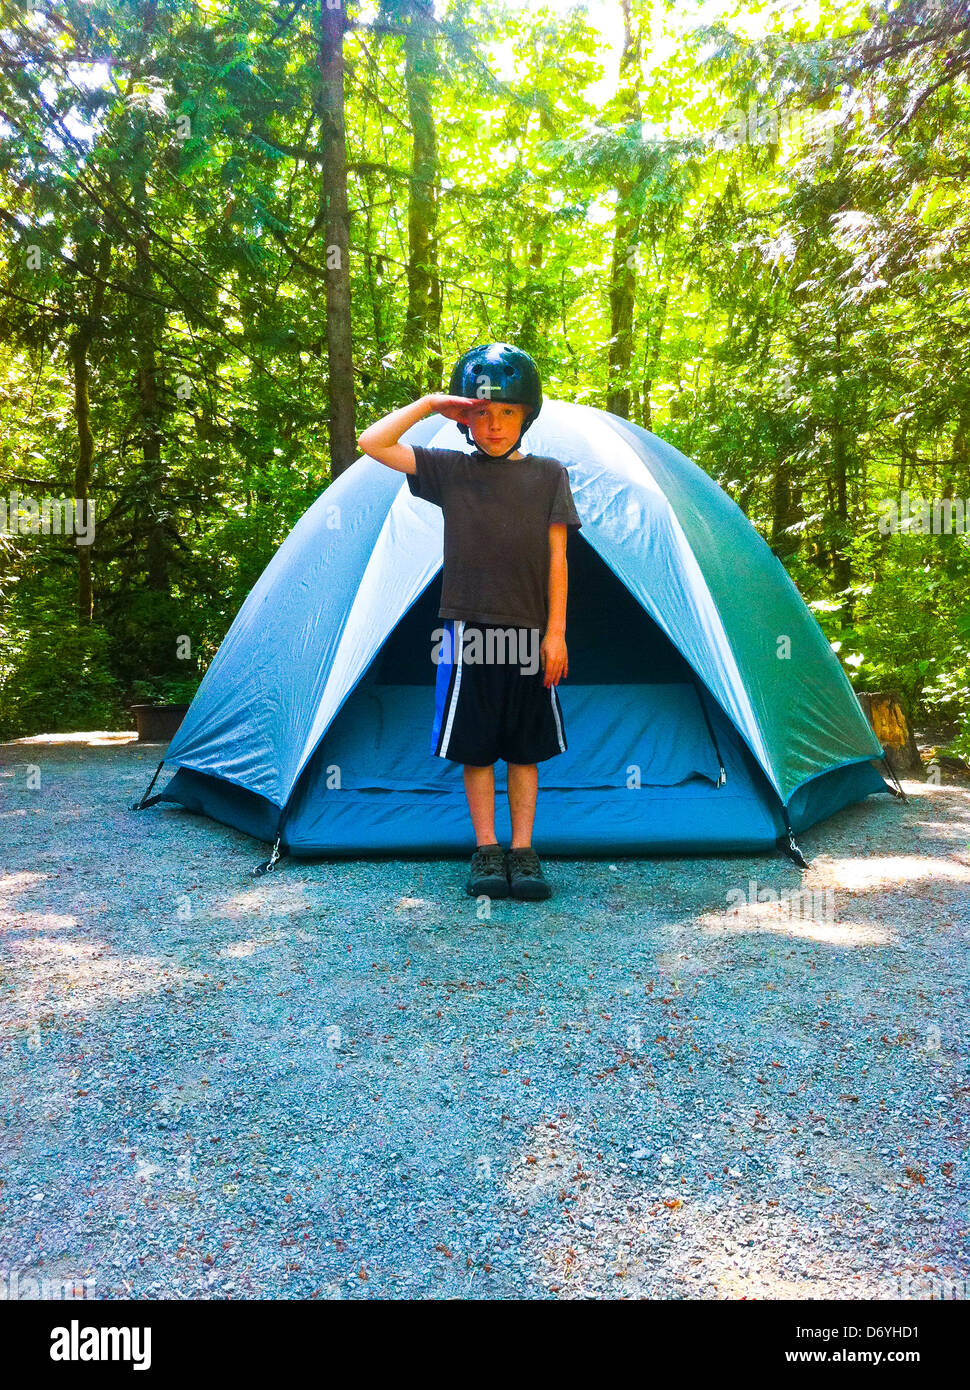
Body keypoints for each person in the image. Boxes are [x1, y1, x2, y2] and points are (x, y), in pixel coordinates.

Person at [357, 342, 582, 901]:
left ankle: (523, 852)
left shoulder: (550, 475)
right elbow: (372, 442)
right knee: (476, 748)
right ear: (464, 420)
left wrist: (555, 633)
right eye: (481, 412)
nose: (495, 424)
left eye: (507, 411)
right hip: (468, 632)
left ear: (526, 415)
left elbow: (558, 558)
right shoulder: (449, 471)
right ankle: (486, 850)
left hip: (531, 634)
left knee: (524, 749)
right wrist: (431, 404)